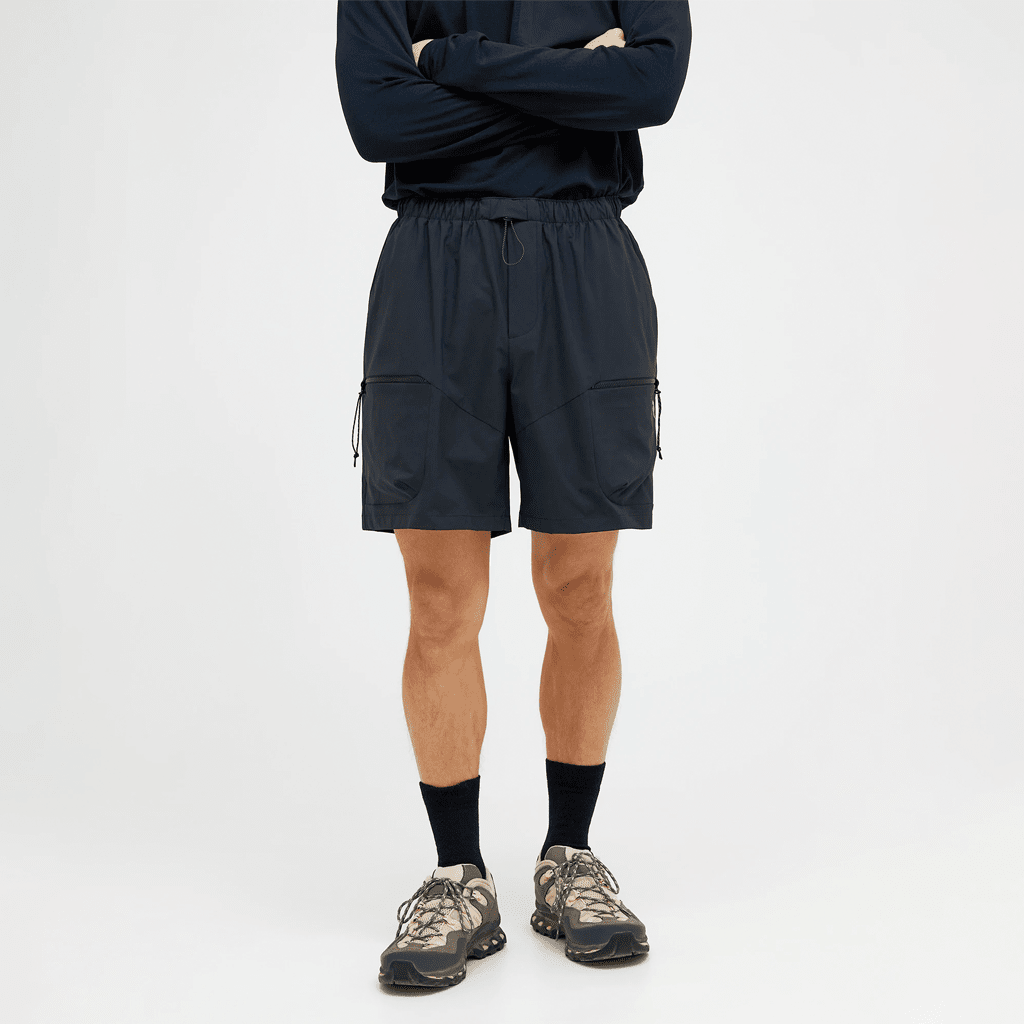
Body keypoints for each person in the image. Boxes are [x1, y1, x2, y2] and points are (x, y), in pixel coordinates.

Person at [335, 0, 692, 988]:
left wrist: (447, 62)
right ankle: (458, 874)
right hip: (432, 265)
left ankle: (568, 856)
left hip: (584, 259)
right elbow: (380, 121)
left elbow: (651, 87)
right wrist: (573, 80)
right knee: (441, 597)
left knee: (578, 585)